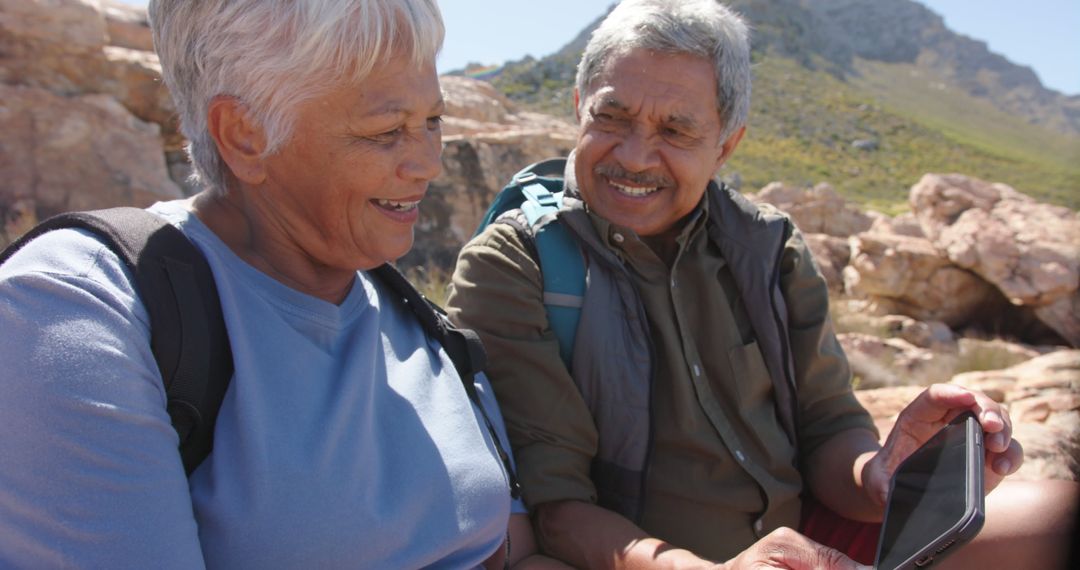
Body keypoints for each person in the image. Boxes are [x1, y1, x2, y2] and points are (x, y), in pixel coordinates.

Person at [445, 0, 1078, 568]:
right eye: (613, 117)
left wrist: (882, 472)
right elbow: (556, 508)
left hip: (802, 541)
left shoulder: (766, 246)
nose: (635, 156)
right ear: (579, 108)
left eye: (676, 130)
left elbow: (829, 429)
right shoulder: (514, 263)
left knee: (1057, 517)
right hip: (643, 562)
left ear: (726, 145)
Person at [0, 1, 565, 568]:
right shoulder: (75, 308)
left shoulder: (419, 321)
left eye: (433, 122)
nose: (427, 164)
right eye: (387, 131)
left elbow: (508, 552)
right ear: (244, 135)